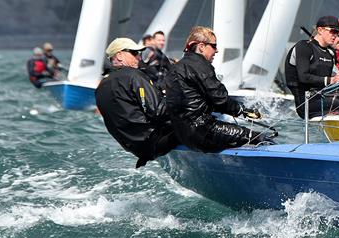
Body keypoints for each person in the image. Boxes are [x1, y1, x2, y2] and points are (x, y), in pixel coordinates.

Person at [165, 26, 268, 152]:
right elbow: (220, 99)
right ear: (201, 46)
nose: (217, 51)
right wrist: (243, 110)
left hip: (180, 133)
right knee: (260, 138)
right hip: (202, 131)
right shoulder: (201, 65)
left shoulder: (176, 67)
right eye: (213, 46)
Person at [95, 37, 179, 169]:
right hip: (154, 141)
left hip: (136, 149)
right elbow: (159, 112)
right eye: (134, 53)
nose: (139, 58)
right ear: (120, 55)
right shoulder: (133, 76)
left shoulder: (101, 86)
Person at [284, 16, 339, 118]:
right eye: (332, 31)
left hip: (323, 100)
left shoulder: (330, 54)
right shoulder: (304, 47)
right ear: (320, 30)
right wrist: (331, 80)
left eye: (337, 33)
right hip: (305, 105)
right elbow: (304, 77)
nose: (335, 35)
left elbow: (331, 83)